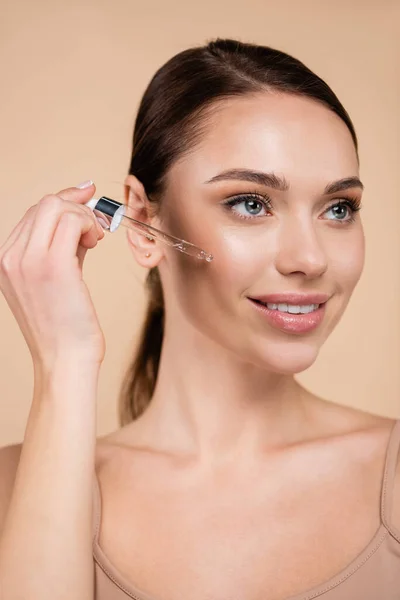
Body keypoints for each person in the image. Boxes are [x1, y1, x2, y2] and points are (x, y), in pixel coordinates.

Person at [0, 37, 399, 600]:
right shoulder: (12, 491)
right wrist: (62, 361)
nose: (310, 259)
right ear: (140, 222)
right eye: (251, 203)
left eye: (339, 209)